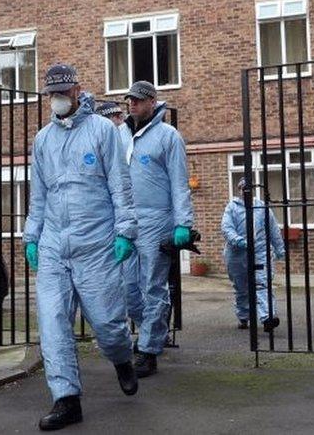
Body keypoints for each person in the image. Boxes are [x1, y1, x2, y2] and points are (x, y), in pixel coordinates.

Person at [23, 63, 139, 431]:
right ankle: (66, 399)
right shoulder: (43, 140)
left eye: (63, 92)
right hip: (55, 243)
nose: (57, 99)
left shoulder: (104, 131)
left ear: (77, 91)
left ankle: (122, 358)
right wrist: (32, 236)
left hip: (96, 242)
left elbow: (120, 185)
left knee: (106, 322)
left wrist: (126, 231)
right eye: (52, 94)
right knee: (53, 322)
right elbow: (38, 195)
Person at [118, 80, 194, 378]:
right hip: (126, 221)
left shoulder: (168, 136)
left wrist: (183, 223)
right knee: (127, 288)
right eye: (129, 100)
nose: (132, 105)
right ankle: (155, 333)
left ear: (153, 102)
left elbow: (179, 182)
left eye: (138, 100)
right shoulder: (119, 135)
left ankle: (148, 349)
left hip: (156, 221)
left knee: (153, 285)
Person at [221, 177, 286, 332]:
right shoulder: (232, 208)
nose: (246, 192)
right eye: (243, 189)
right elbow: (226, 228)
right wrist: (238, 240)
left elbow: (273, 230)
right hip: (237, 253)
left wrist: (279, 249)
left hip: (260, 252)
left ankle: (267, 317)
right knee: (242, 288)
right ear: (239, 190)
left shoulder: (262, 208)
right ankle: (244, 317)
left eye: (248, 189)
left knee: (262, 283)